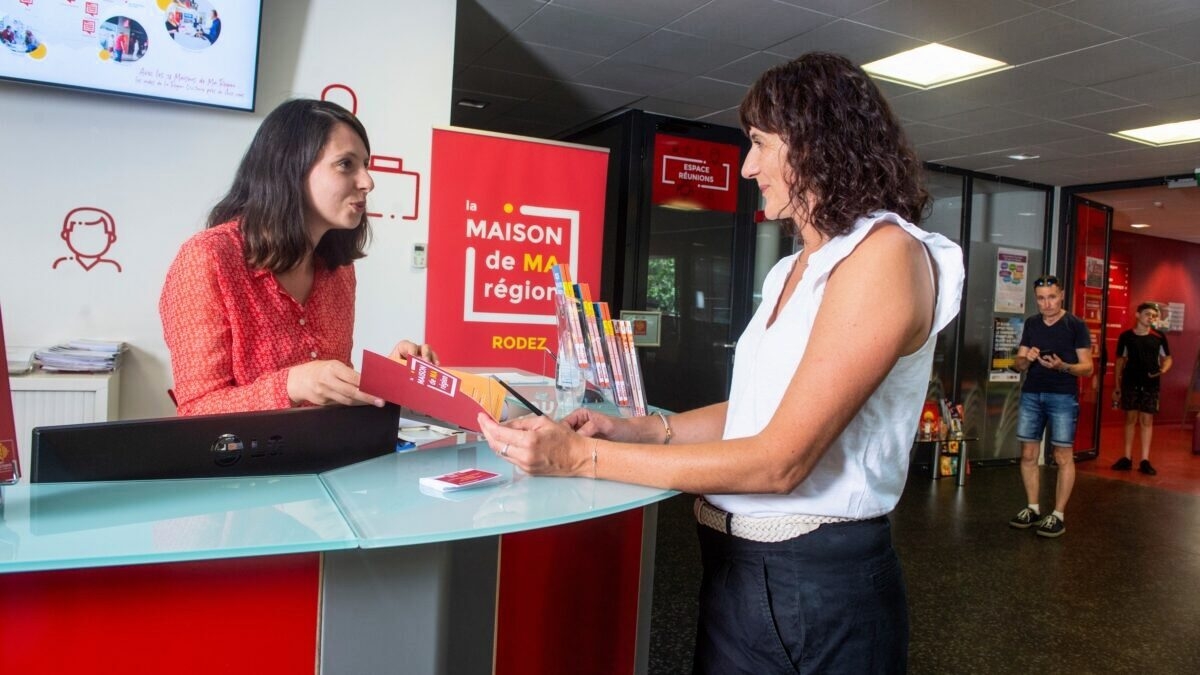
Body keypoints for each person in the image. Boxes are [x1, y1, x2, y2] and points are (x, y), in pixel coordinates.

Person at [476, 53, 964, 673]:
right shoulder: (793, 268)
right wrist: (639, 430)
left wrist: (580, 458)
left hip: (815, 585)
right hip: (739, 570)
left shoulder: (883, 255)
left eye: (760, 143)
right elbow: (760, 410)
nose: (747, 166)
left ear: (818, 142)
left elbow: (780, 460)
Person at [160, 99, 435, 416]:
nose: (368, 182)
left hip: (327, 447)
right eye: (346, 164)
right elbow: (196, 410)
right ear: (290, 169)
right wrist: (291, 385)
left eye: (365, 165)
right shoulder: (208, 258)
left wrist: (386, 380)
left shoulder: (339, 268)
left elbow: (326, 398)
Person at [1007, 275, 1093, 538]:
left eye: (1052, 297)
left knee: (1062, 455)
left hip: (1062, 396)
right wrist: (1027, 358)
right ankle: (1032, 508)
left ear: (1062, 295)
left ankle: (1058, 514)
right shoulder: (1032, 323)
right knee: (1028, 454)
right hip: (1032, 393)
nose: (1047, 303)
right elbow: (1018, 364)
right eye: (1041, 298)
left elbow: (1087, 368)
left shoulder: (1075, 325)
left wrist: (1063, 366)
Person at [1111, 302, 1172, 475]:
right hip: (1130, 382)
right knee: (1130, 418)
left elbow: (1168, 358)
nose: (1150, 318)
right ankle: (1126, 458)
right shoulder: (1126, 336)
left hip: (1151, 383)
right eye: (1147, 314)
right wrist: (1117, 385)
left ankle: (1145, 460)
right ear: (1138, 315)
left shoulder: (1159, 336)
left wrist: (1163, 370)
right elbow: (1120, 361)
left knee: (1147, 420)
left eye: (1153, 315)